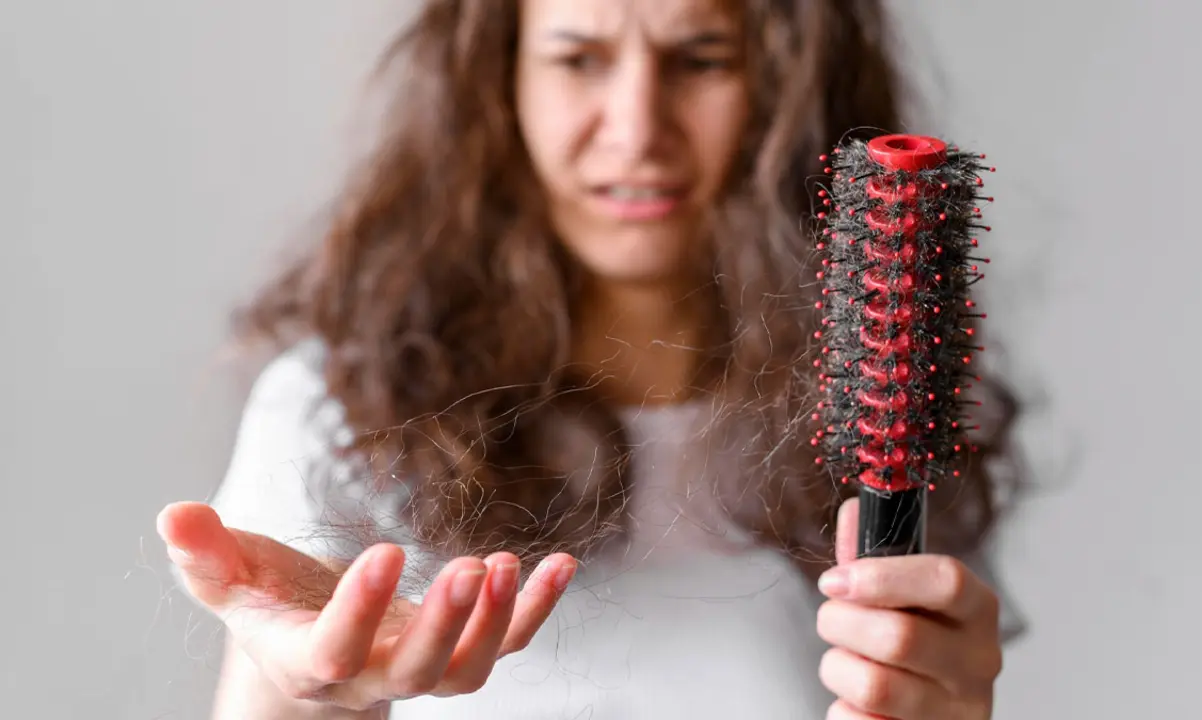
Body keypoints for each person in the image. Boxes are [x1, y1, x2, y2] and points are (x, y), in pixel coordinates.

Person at [157, 1, 1018, 717]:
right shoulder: (339, 410)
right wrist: (301, 684)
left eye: (700, 58)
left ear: (787, 85)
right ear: (503, 84)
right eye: (578, 59)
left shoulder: (889, 417)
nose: (638, 129)